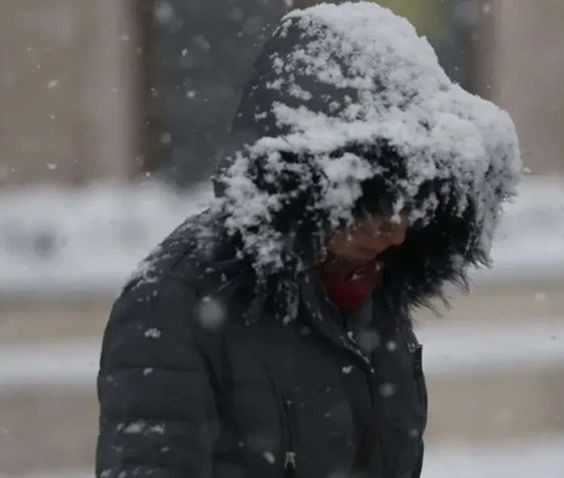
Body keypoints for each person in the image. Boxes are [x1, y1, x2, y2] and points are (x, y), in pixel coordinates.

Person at [95, 2, 520, 477]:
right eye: (374, 205)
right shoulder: (171, 303)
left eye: (415, 206)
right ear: (306, 192)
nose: (398, 231)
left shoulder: (372, 296)